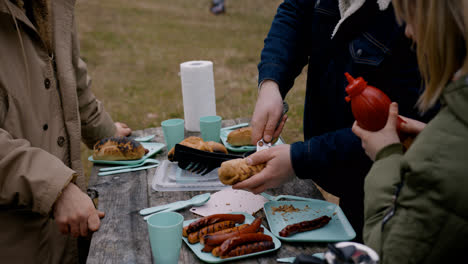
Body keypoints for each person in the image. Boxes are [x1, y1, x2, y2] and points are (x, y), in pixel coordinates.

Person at [232, 0, 438, 242]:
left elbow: (403, 124)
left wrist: (301, 158)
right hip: (350, 183)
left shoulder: (421, 16)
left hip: (397, 194)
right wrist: (271, 83)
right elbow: (295, 13)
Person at [0, 0, 132, 263]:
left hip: (64, 240)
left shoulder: (56, 5)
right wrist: (56, 187)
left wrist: (109, 136)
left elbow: (72, 83)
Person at [352, 0, 468, 262]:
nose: (408, 32)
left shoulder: (437, 158)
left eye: (413, 17)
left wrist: (386, 157)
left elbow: (390, 253)